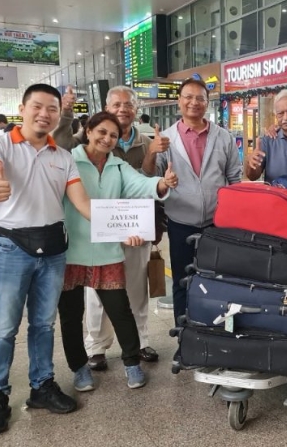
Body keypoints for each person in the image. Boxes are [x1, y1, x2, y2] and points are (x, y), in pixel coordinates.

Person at [0, 84, 92, 435]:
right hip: (12, 246)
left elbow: (82, 203)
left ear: (59, 114)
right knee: (3, 328)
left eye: (52, 108)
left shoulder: (63, 156)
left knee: (43, 325)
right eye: (37, 107)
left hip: (53, 248)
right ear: (22, 108)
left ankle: (42, 386)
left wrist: (122, 223)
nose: (44, 114)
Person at [57, 111, 177, 393]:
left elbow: (141, 185)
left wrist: (162, 183)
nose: (107, 139)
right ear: (88, 131)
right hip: (71, 249)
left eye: (113, 135)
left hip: (107, 249)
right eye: (101, 132)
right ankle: (79, 367)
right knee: (72, 315)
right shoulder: (68, 161)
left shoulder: (118, 166)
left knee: (121, 310)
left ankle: (131, 362)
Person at [142, 77, 242, 326]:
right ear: (179, 101)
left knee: (218, 279)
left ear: (207, 103)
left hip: (216, 225)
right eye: (188, 97)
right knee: (182, 281)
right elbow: (149, 178)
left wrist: (231, 220)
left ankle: (214, 331)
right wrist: (152, 153)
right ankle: (184, 333)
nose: (194, 102)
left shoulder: (223, 137)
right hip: (180, 223)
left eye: (200, 98)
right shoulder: (165, 139)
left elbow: (234, 180)